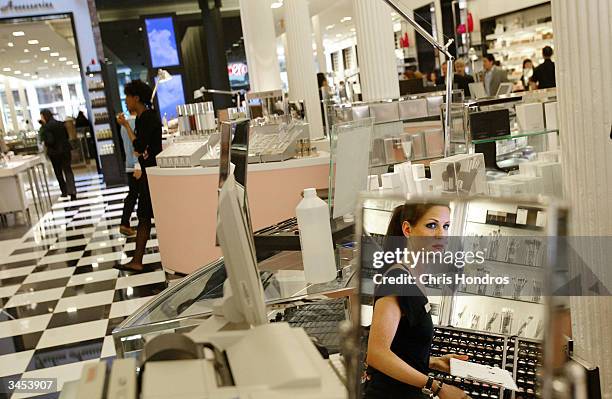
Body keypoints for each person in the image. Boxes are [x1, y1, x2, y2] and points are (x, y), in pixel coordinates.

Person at [363, 203, 470, 399]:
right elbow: (377, 354)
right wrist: (439, 388)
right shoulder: (396, 280)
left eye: (446, 226)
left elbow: (401, 346)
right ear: (407, 229)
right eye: (431, 225)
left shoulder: (414, 277)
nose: (442, 234)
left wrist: (433, 362)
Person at [115, 80, 162, 273]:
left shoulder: (148, 118)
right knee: (144, 216)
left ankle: (138, 260)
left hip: (151, 174)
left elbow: (139, 146)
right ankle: (137, 260)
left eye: (127, 97)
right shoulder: (143, 118)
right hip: (148, 173)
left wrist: (126, 126)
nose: (126, 101)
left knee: (146, 216)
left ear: (136, 98)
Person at [40, 109, 76, 201]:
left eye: (42, 116)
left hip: (55, 152)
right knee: (68, 170)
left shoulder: (46, 127)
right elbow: (67, 136)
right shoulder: (60, 124)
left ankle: (64, 191)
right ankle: (72, 192)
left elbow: (50, 141)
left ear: (45, 116)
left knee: (58, 172)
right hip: (65, 150)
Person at [119, 111, 140, 237]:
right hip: (136, 165)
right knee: (134, 195)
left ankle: (125, 222)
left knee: (133, 194)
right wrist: (138, 164)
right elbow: (136, 146)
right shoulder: (135, 124)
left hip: (129, 163)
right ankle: (125, 222)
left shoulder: (123, 126)